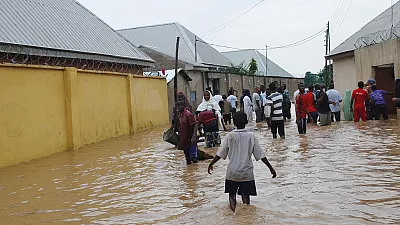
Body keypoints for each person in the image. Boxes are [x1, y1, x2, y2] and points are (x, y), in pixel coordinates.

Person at [207, 111, 276, 212]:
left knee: (231, 196)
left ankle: (233, 216)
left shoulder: (230, 136)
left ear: (233, 122)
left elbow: (220, 154)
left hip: (232, 173)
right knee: (246, 199)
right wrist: (271, 168)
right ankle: (246, 219)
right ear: (247, 121)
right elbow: (261, 155)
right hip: (246, 173)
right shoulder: (251, 136)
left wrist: (211, 163)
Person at [176, 100, 198, 165]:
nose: (180, 107)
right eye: (178, 106)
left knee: (193, 158)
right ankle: (190, 169)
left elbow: (195, 124)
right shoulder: (180, 115)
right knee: (187, 158)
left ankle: (195, 171)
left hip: (190, 138)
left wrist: (194, 136)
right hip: (184, 138)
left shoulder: (188, 114)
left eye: (181, 105)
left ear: (184, 106)